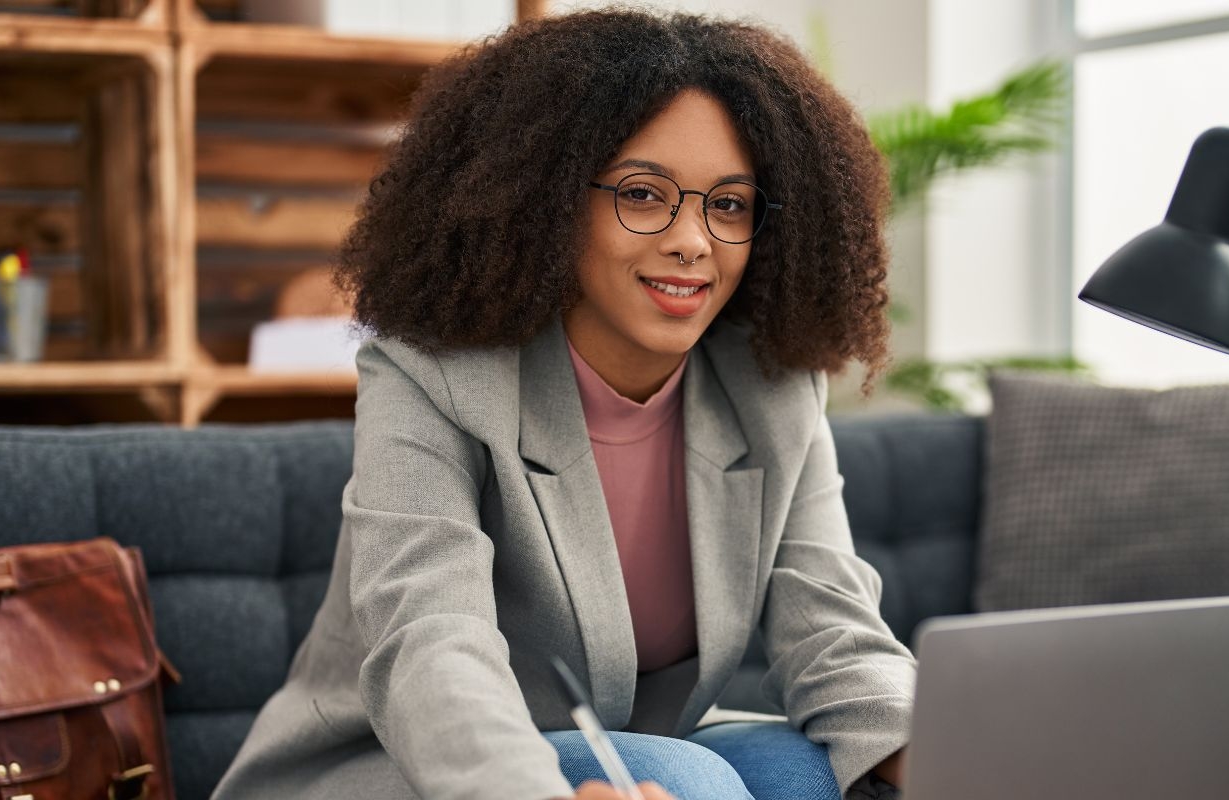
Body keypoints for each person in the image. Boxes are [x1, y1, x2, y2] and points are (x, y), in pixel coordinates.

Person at [211, 9, 914, 800]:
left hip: (642, 753)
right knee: (691, 779)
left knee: (814, 776)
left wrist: (934, 751)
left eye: (729, 204)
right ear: (547, 200)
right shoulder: (432, 374)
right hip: (401, 764)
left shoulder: (772, 386)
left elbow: (836, 635)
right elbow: (430, 643)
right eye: (644, 194)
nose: (694, 241)